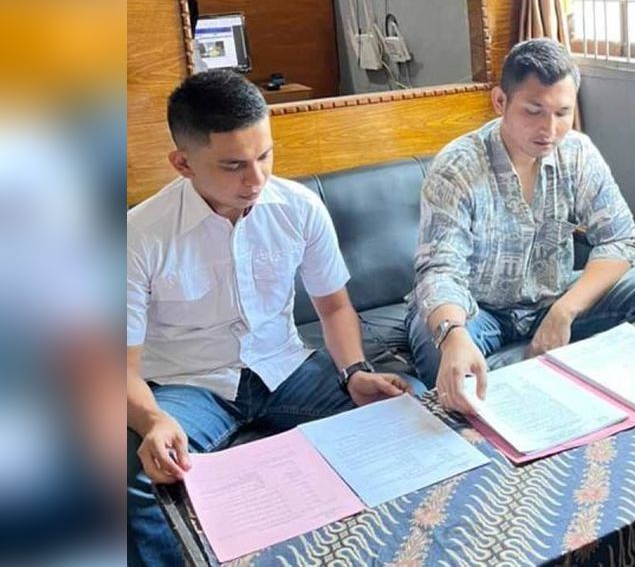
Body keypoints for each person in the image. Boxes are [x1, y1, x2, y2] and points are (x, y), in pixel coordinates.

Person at [127, 70, 421, 566]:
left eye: (264, 156)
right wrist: (152, 420)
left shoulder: (299, 208)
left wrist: (354, 371)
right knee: (142, 481)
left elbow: (334, 306)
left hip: (286, 368)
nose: (256, 179)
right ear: (183, 163)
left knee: (408, 414)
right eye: (234, 165)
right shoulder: (139, 236)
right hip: (190, 386)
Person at [405, 38, 635, 414]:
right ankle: (549, 372)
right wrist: (453, 336)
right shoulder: (458, 168)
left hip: (552, 299)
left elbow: (620, 240)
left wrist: (563, 312)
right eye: (534, 111)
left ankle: (525, 373)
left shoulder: (578, 153)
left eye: (562, 113)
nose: (549, 129)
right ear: (500, 101)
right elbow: (439, 271)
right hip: (478, 311)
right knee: (439, 346)